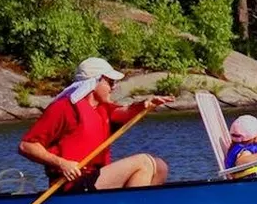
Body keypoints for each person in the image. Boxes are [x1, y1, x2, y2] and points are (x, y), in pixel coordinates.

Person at [18, 57, 173, 189]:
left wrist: (146, 104)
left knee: (160, 166)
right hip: (72, 183)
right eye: (110, 82)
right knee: (144, 162)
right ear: (94, 82)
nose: (114, 87)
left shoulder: (103, 108)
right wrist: (62, 163)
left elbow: (125, 112)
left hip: (96, 178)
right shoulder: (63, 108)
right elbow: (27, 146)